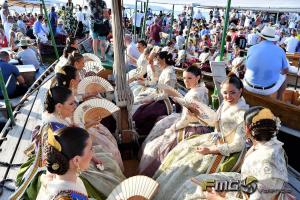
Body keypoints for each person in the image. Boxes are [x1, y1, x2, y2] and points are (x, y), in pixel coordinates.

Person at [153, 75, 249, 200]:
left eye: (232, 93)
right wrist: (198, 115)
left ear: (240, 91)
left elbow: (238, 145)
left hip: (229, 152)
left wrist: (211, 150)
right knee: (183, 150)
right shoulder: (226, 103)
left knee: (192, 165)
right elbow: (215, 122)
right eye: (225, 93)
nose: (228, 96)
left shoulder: (242, 113)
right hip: (216, 139)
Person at [172, 107, 289, 200]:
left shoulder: (261, 160)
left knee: (195, 190)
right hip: (250, 186)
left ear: (247, 129)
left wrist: (216, 198)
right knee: (201, 183)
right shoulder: (275, 145)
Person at [138, 66, 212, 177]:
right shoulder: (202, 89)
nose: (186, 81)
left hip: (191, 126)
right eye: (184, 78)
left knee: (157, 145)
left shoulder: (195, 94)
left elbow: (186, 120)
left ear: (198, 78)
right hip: (195, 122)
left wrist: (173, 128)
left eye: (189, 78)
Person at [36, 127, 92, 199]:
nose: (93, 153)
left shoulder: (57, 179)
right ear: (76, 160)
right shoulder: (66, 196)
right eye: (91, 149)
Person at [132, 51, 177, 136]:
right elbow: (157, 84)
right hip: (160, 96)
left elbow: (166, 94)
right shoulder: (166, 69)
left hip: (167, 101)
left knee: (146, 112)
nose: (157, 62)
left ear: (164, 59)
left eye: (158, 60)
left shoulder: (169, 73)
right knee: (140, 107)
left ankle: (142, 132)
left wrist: (152, 98)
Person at [244, 26, 289, 100]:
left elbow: (247, 66)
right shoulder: (280, 50)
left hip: (248, 85)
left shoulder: (251, 48)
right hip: (268, 90)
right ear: (273, 39)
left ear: (261, 37)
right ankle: (279, 99)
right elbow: (285, 71)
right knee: (284, 76)